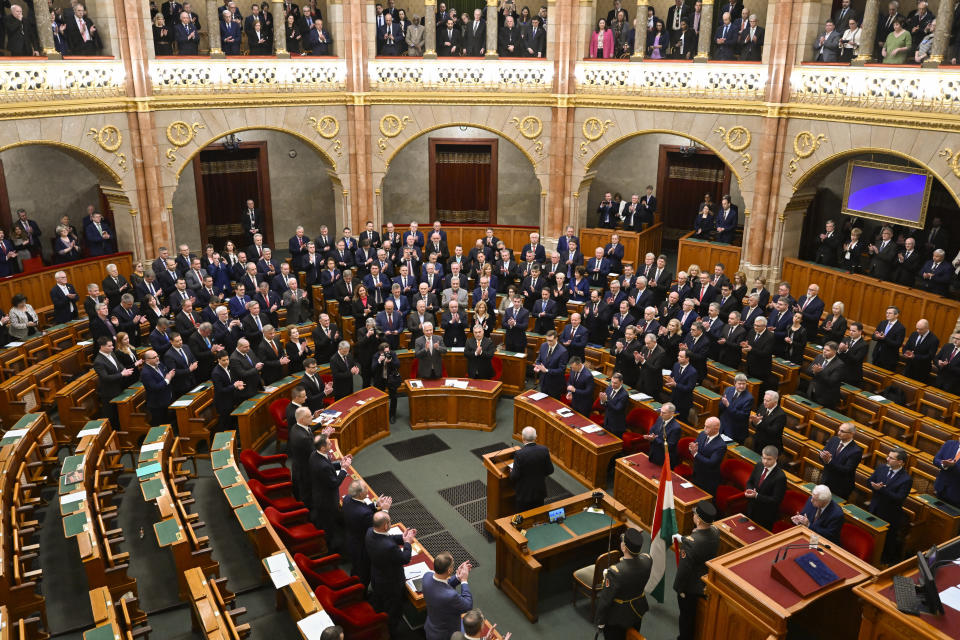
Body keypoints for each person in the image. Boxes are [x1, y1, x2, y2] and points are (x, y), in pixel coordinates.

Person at [673, 502, 718, 640]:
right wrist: (683, 538)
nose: (693, 515)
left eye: (694, 514)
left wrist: (679, 588)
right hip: (705, 581)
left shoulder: (691, 543)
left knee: (686, 618)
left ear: (698, 519)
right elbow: (701, 542)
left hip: (690, 588)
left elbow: (684, 570)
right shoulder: (715, 532)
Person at [365, 511, 417, 632]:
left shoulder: (370, 532)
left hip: (377, 576)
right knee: (393, 611)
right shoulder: (389, 547)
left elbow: (387, 537)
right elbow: (405, 558)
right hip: (390, 583)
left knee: (380, 602)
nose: (390, 523)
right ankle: (390, 632)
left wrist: (402, 538)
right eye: (389, 521)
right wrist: (408, 543)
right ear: (385, 526)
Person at [595, 528, 651, 640]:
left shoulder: (615, 572)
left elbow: (605, 600)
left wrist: (600, 621)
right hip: (637, 612)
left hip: (617, 618)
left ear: (624, 547)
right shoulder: (648, 560)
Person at [342, 481, 392, 587]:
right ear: (360, 494)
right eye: (366, 489)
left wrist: (375, 504)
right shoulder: (365, 514)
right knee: (364, 574)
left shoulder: (347, 499)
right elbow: (380, 528)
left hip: (351, 539)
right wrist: (385, 510)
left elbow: (362, 509)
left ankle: (353, 585)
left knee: (356, 568)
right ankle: (361, 594)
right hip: (362, 548)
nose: (368, 490)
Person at [868, 448, 912, 562]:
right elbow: (870, 481)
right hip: (874, 507)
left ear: (900, 462)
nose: (887, 459)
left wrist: (882, 489)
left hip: (890, 514)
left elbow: (899, 498)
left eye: (891, 458)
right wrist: (873, 485)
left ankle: (882, 562)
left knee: (885, 542)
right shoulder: (882, 468)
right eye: (888, 456)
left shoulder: (906, 479)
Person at [308, 433, 350, 548]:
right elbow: (334, 483)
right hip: (327, 500)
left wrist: (340, 463)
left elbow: (329, 465)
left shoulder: (314, 454)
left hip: (318, 494)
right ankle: (330, 547)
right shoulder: (322, 466)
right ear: (322, 447)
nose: (331, 444)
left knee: (325, 521)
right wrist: (344, 469)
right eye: (328, 443)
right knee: (329, 525)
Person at [422, 552, 473, 640]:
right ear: (449, 570)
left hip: (431, 627)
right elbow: (468, 605)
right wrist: (464, 580)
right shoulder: (450, 596)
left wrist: (458, 577)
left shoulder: (426, 576)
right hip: (446, 634)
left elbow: (442, 584)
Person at [742, 445, 787, 530]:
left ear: (776, 458)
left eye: (769, 459)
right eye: (763, 458)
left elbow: (776, 500)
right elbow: (750, 481)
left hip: (765, 515)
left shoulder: (780, 477)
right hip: (751, 508)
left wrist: (757, 496)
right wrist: (749, 489)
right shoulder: (759, 465)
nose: (765, 461)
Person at [510, 426, 554, 510]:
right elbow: (550, 470)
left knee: (523, 518)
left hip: (524, 494)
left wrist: (512, 471)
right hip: (539, 491)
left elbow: (514, 476)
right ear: (536, 437)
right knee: (538, 516)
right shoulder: (544, 450)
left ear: (522, 438)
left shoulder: (519, 454)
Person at [819, 422, 863, 500]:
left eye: (842, 431)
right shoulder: (834, 440)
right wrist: (823, 457)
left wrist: (829, 461)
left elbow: (846, 470)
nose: (838, 433)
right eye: (839, 430)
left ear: (851, 434)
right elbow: (822, 456)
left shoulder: (856, 451)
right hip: (825, 481)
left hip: (840, 487)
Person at [690, 417, 726, 495]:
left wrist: (695, 454)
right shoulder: (702, 434)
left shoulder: (721, 445)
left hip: (708, 480)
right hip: (696, 473)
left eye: (707, 427)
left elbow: (711, 463)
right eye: (705, 426)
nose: (704, 428)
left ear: (716, 429)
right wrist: (692, 447)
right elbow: (695, 447)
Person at [141, 350, 176, 428]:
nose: (157, 358)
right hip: (157, 404)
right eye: (154, 357)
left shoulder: (159, 364)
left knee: (168, 423)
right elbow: (155, 388)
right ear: (147, 360)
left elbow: (166, 374)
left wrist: (169, 375)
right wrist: (167, 380)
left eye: (157, 356)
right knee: (161, 426)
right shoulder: (145, 373)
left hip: (166, 399)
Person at [665, 350, 697, 425]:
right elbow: (672, 377)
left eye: (681, 357)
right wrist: (670, 382)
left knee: (680, 422)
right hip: (674, 398)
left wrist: (675, 385)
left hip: (684, 402)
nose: (678, 358)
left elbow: (689, 388)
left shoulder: (692, 372)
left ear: (687, 359)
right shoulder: (676, 365)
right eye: (678, 356)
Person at [808, 341, 844, 408]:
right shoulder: (819, 357)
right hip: (812, 392)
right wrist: (814, 371)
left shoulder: (839, 365)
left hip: (826, 398)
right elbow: (808, 370)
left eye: (827, 350)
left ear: (834, 351)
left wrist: (819, 372)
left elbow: (831, 381)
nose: (824, 351)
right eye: (824, 349)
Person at [718, 374, 753, 443]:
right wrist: (723, 403)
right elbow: (721, 406)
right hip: (723, 425)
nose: (742, 386)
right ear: (734, 383)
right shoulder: (728, 390)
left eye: (744, 384)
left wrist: (728, 405)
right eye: (739, 384)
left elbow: (742, 416)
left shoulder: (749, 398)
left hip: (735, 430)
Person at [371, 341, 400, 423]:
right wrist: (379, 361)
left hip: (391, 379)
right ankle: (381, 414)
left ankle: (392, 415)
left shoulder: (392, 354)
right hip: (380, 380)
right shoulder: (376, 356)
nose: (387, 353)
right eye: (385, 352)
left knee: (393, 397)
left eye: (388, 351)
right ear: (381, 352)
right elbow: (373, 369)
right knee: (380, 398)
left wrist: (391, 361)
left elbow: (398, 365)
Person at [534, 330, 568, 398]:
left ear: (556, 338)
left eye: (551, 340)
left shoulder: (563, 351)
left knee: (552, 405)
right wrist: (538, 367)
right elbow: (539, 360)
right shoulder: (543, 346)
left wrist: (547, 370)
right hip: (543, 380)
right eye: (547, 340)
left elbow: (561, 370)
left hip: (554, 384)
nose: (548, 343)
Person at [646, 403, 680, 468]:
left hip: (664, 459)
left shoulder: (676, 428)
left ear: (671, 413)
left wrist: (654, 439)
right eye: (661, 412)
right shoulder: (660, 418)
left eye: (664, 413)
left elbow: (669, 446)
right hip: (653, 453)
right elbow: (653, 429)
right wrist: (650, 436)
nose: (661, 414)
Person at [872, 306, 905, 371]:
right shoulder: (882, 323)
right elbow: (873, 336)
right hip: (877, 355)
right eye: (886, 313)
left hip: (889, 359)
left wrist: (885, 338)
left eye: (890, 313)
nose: (887, 314)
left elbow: (898, 344)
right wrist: (876, 336)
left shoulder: (901, 328)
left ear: (896, 315)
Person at [934, 438, 960, 508]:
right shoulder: (949, 443)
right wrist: (944, 465)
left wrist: (953, 466)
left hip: (956, 494)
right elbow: (936, 459)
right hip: (940, 488)